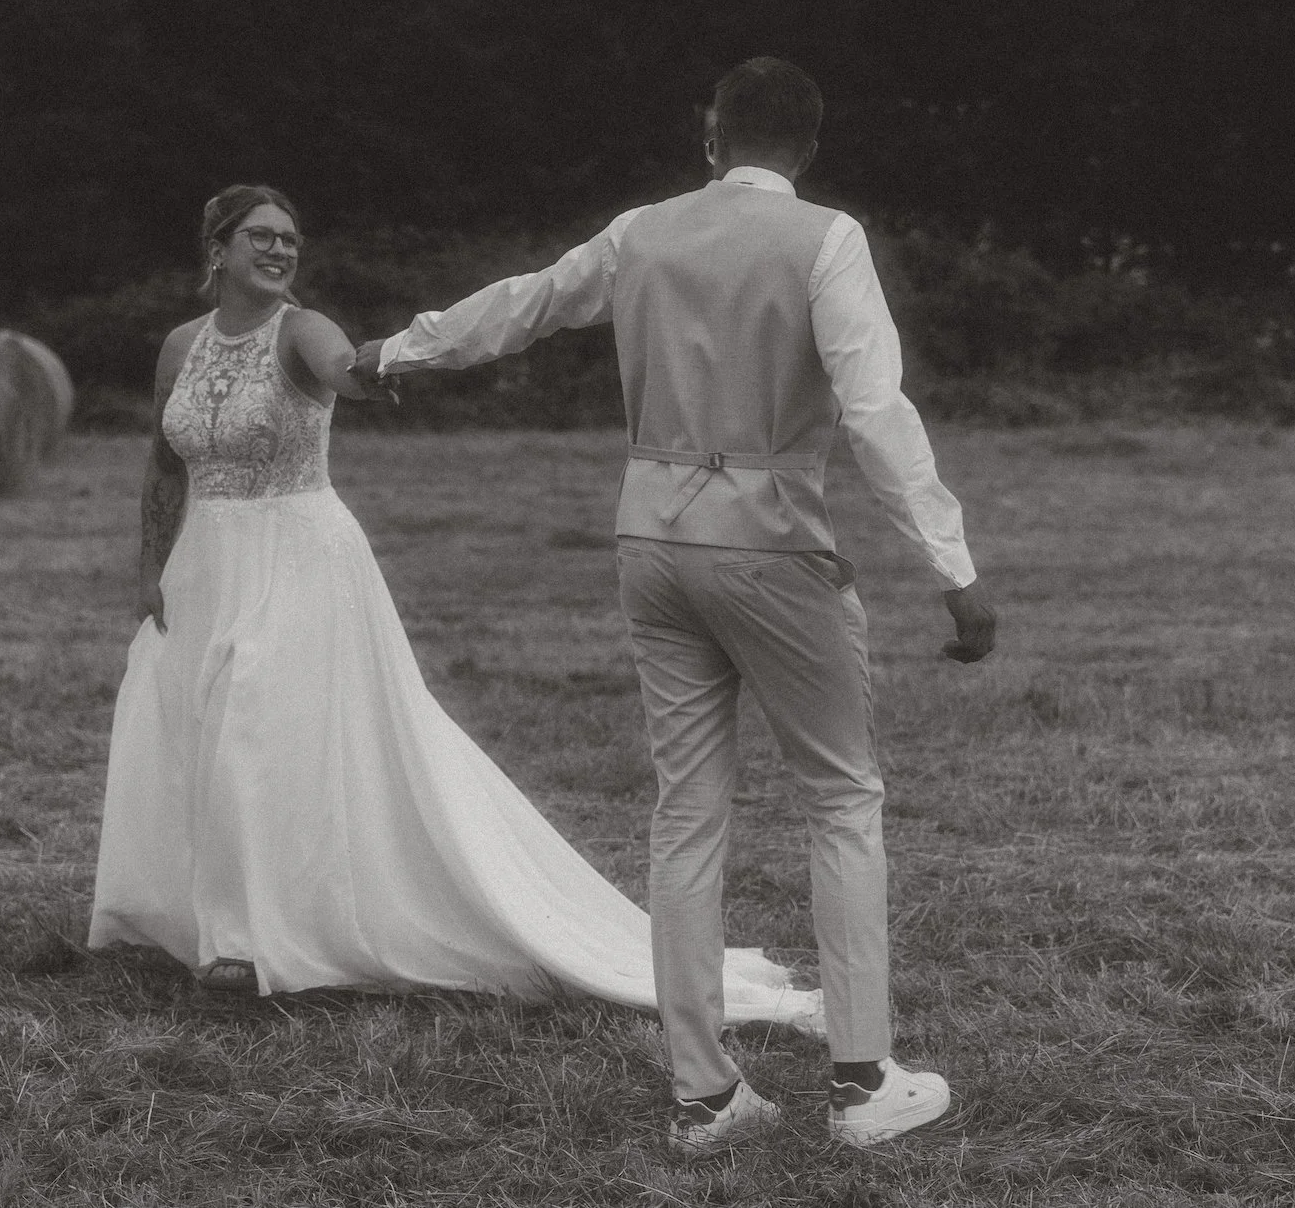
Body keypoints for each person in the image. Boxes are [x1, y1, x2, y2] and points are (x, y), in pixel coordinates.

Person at [352, 58, 997, 1151]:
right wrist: (952, 565)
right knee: (840, 799)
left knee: (685, 813)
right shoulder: (825, 239)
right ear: (807, 145)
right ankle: (859, 1079)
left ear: (711, 137)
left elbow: (523, 305)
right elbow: (875, 411)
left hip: (647, 541)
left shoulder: (641, 230)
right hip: (772, 545)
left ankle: (703, 1095)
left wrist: (396, 349)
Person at [87, 185, 822, 1038]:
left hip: (298, 555)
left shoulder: (304, 330)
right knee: (194, 726)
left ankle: (254, 938)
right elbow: (164, 462)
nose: (282, 250)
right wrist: (150, 568)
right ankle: (201, 914)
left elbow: (341, 371)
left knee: (254, 723)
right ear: (217, 248)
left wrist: (384, 368)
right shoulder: (182, 346)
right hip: (205, 559)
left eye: (292, 238)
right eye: (262, 236)